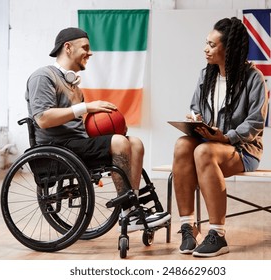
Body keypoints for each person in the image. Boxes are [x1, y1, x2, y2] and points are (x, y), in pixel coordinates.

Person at [25, 27, 170, 232]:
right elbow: (42, 119)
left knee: (134, 142)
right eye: (85, 47)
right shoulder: (43, 76)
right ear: (68, 47)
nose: (90, 53)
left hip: (75, 145)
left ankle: (132, 208)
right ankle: (128, 212)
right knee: (119, 142)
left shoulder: (75, 87)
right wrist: (86, 107)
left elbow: (80, 126)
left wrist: (114, 127)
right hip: (55, 149)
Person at [172, 17, 268, 257]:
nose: (206, 49)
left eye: (212, 45)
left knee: (202, 151)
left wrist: (226, 137)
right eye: (206, 43)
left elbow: (255, 122)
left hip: (243, 150)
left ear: (229, 48)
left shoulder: (253, 78)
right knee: (183, 144)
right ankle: (188, 227)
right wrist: (194, 121)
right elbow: (196, 107)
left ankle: (218, 234)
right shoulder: (207, 75)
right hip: (209, 146)